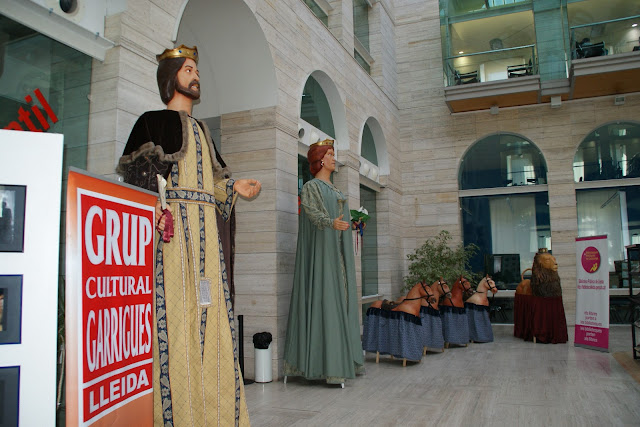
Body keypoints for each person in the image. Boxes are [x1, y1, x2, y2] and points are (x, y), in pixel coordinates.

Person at [117, 45, 260, 426]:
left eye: (196, 70)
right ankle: (179, 414)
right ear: (171, 77)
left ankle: (215, 414)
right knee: (176, 320)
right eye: (188, 70)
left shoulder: (202, 129)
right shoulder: (152, 122)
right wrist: (154, 207)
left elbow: (212, 184)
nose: (196, 76)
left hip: (207, 241)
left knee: (212, 318)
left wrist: (234, 188)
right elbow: (139, 177)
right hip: (174, 237)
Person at [283, 139, 364, 386]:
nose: (333, 158)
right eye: (329, 154)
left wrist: (349, 223)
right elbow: (312, 212)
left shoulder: (336, 191)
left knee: (342, 300)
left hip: (338, 255)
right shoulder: (311, 187)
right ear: (319, 160)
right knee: (326, 301)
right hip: (322, 255)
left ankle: (342, 360)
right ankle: (325, 365)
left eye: (333, 154)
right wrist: (331, 223)